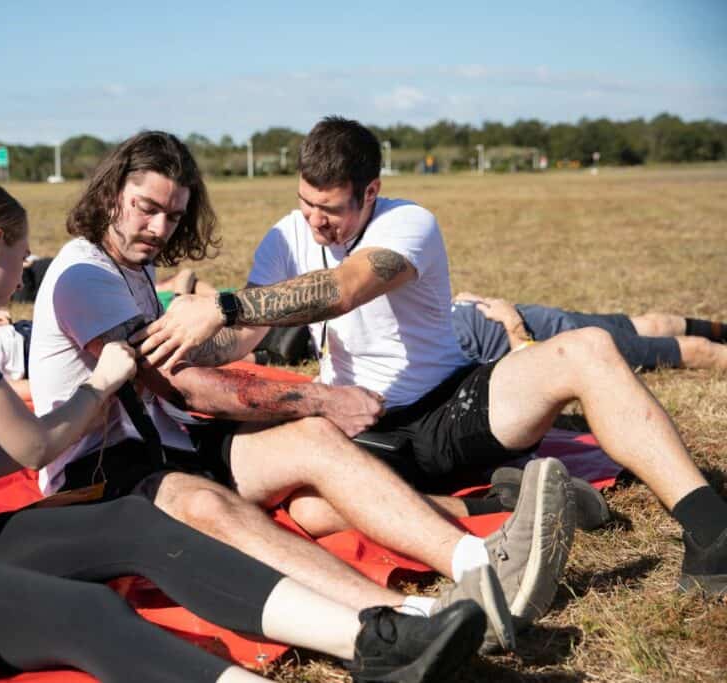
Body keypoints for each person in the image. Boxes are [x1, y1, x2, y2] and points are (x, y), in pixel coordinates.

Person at [0, 177, 485, 683]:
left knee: (137, 523)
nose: (20, 279)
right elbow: (32, 447)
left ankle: (377, 638)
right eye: (22, 261)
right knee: (87, 613)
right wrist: (99, 386)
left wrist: (81, 410)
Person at [28, 131, 579, 651]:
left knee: (313, 441)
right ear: (110, 193)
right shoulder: (85, 275)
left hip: (169, 444)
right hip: (100, 473)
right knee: (212, 502)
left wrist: (286, 393)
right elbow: (181, 387)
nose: (158, 227)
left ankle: (478, 561)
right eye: (146, 208)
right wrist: (320, 397)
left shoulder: (134, 267)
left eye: (172, 215)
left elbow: (205, 365)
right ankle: (408, 617)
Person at [136, 116, 727, 596]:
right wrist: (173, 344)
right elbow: (239, 341)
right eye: (306, 202)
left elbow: (344, 289)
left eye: (333, 208)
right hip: (361, 425)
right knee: (308, 509)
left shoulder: (408, 222)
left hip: (452, 408)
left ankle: (709, 528)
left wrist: (227, 306)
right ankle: (508, 500)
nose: (316, 221)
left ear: (370, 192)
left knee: (587, 348)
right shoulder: (287, 235)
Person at [451, 292, 727, 371]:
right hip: (571, 340)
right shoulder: (445, 359)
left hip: (551, 316)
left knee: (657, 324)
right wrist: (512, 323)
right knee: (696, 351)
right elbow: (521, 368)